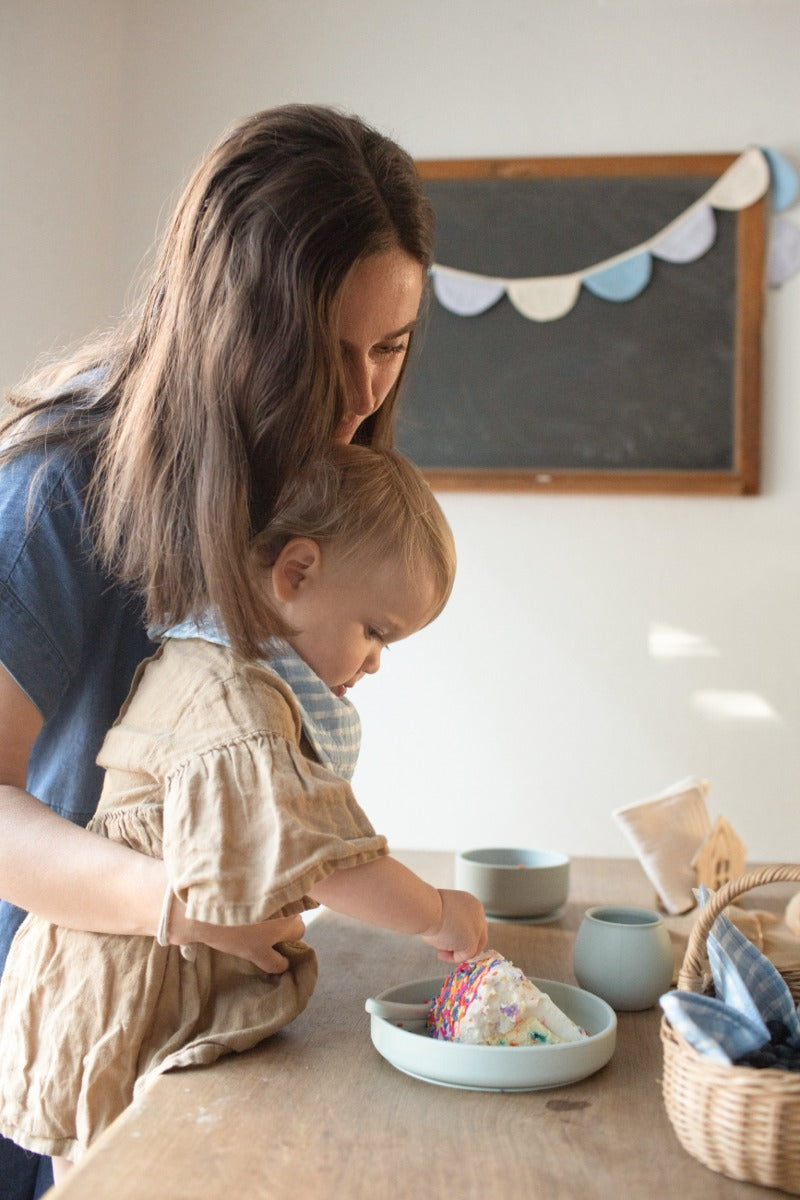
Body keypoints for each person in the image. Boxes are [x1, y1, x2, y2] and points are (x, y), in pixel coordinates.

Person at [0, 103, 435, 1198]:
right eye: (322, 352)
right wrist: (177, 902)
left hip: (202, 1011)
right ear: (225, 323)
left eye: (389, 348)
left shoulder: (301, 482)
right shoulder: (58, 489)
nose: (360, 394)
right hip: (70, 1011)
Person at [0, 444, 488, 1180]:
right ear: (295, 574)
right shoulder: (234, 698)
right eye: (376, 631)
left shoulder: (220, 661)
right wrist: (435, 911)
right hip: (125, 1006)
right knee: (121, 1178)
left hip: (150, 996)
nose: (378, 659)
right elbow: (315, 855)